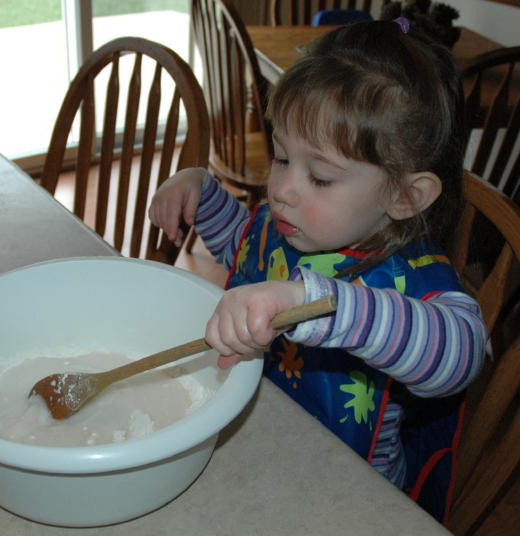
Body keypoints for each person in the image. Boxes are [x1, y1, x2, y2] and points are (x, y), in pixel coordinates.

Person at [149, 20, 486, 523]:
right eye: (282, 157)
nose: (283, 188)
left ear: (404, 196)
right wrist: (201, 192)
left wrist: (324, 306)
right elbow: (247, 248)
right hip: (258, 436)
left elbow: (460, 356)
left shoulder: (413, 278)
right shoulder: (294, 224)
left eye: (320, 177)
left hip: (349, 491)